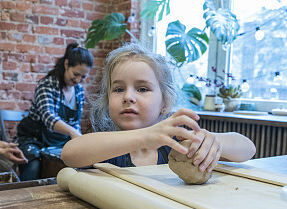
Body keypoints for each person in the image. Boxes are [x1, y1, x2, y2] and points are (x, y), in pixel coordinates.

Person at [61, 43, 256, 171]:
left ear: (165, 104)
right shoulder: (103, 148)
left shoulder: (177, 146)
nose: (128, 97)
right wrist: (144, 137)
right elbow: (70, 154)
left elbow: (248, 149)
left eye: (142, 89)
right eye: (118, 89)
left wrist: (212, 141)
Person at [16, 42, 94, 180]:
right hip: (35, 138)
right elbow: (49, 117)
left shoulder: (79, 90)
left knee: (79, 164)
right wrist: (72, 132)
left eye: (83, 77)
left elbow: (75, 123)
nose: (78, 80)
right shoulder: (47, 85)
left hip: (59, 141)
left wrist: (80, 142)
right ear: (66, 64)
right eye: (75, 74)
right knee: (33, 164)